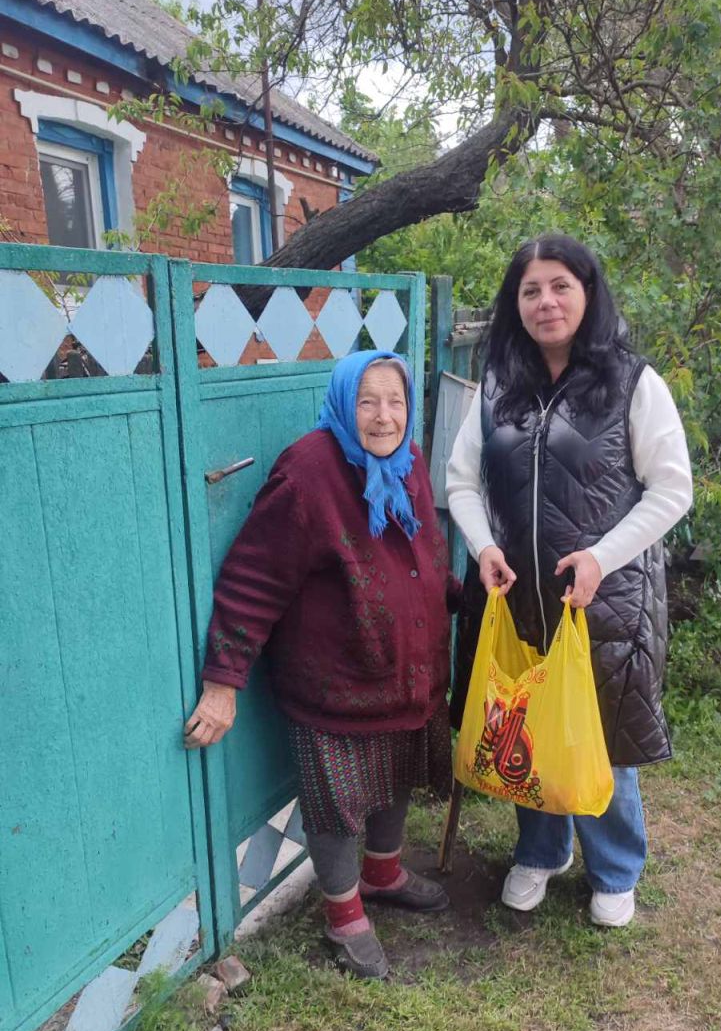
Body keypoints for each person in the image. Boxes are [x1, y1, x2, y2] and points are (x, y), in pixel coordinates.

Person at [185, 349, 459, 979]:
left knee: (398, 770)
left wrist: (457, 596)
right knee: (335, 803)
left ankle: (383, 874)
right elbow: (254, 577)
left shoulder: (409, 461)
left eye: (395, 402)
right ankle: (344, 915)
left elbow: (424, 548)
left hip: (405, 670)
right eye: (368, 402)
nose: (384, 417)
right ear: (342, 404)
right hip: (337, 679)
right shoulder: (308, 471)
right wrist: (223, 681)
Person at [446, 234, 693, 928]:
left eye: (560, 286)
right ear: (515, 304)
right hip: (516, 594)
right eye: (530, 290)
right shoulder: (497, 386)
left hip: (603, 599)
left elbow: (672, 489)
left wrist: (600, 558)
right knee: (524, 720)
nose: (546, 302)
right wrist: (483, 544)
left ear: (588, 293)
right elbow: (461, 481)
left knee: (601, 731)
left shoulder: (633, 383)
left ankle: (614, 868)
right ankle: (542, 850)